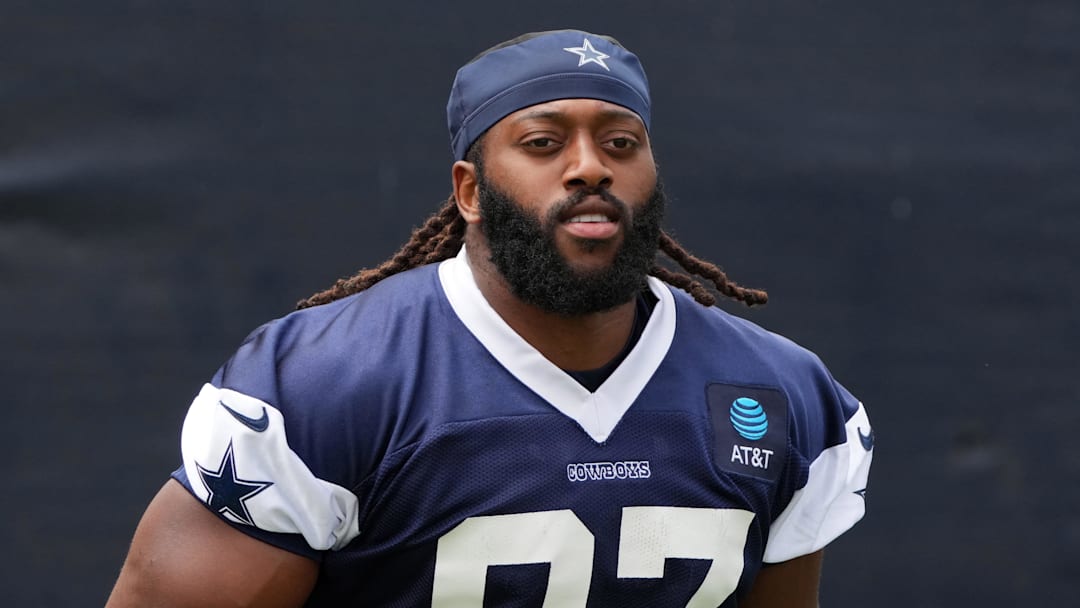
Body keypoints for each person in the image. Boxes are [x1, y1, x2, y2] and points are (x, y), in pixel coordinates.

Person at [107, 29, 873, 607]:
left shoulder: (781, 393)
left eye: (620, 143)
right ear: (470, 192)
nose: (589, 167)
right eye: (543, 143)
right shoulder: (323, 382)